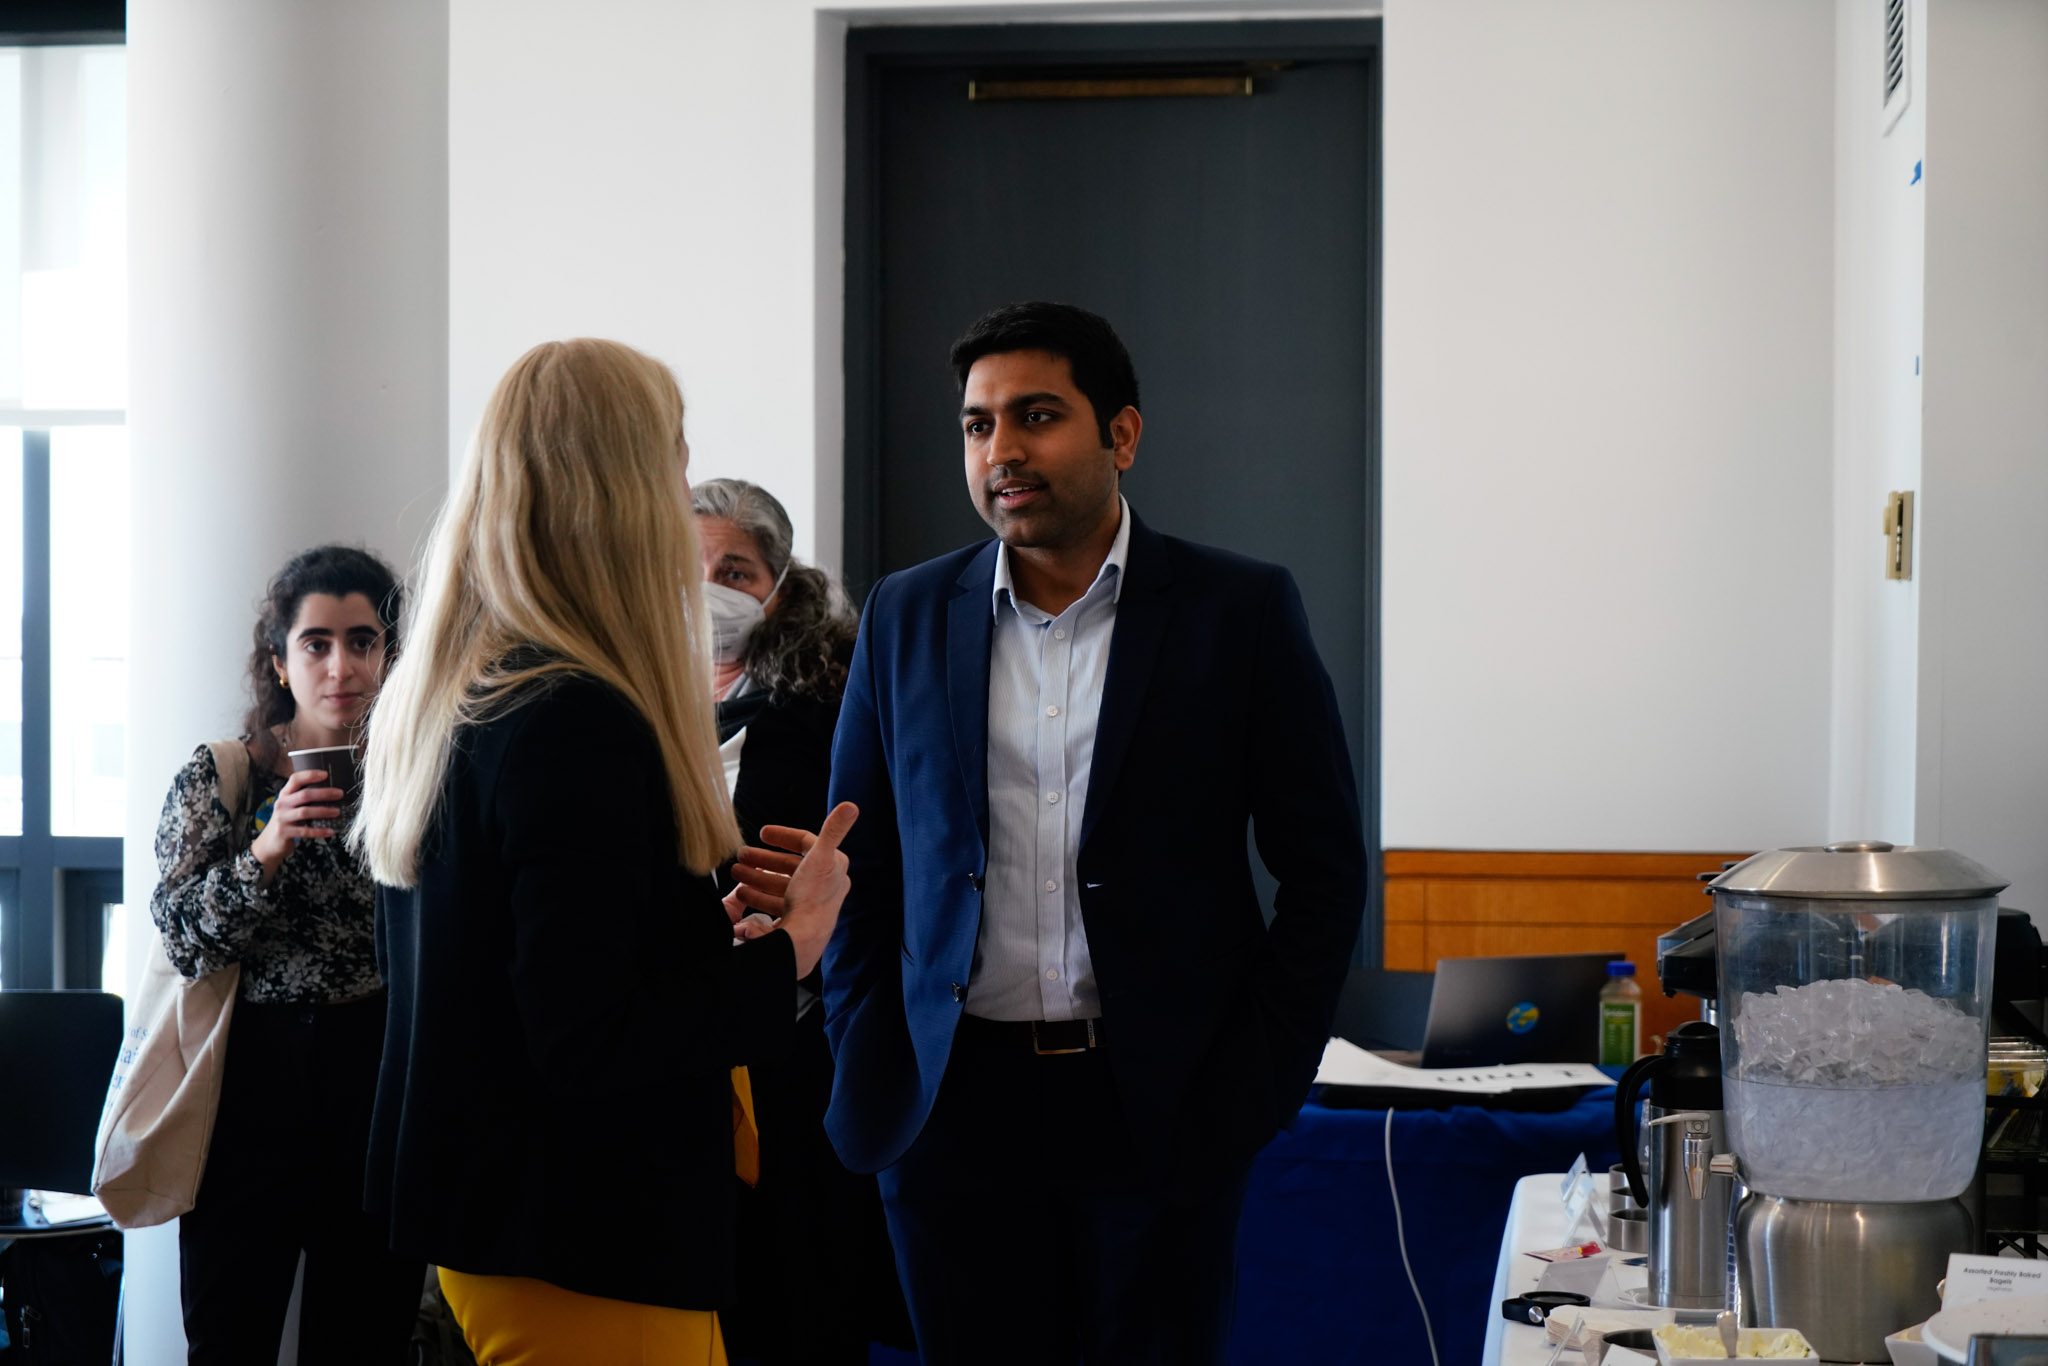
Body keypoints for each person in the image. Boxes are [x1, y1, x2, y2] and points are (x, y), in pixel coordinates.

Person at [822, 301, 1367, 1363]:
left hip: (1157, 1107)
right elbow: (860, 859)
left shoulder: (1235, 610)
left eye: (1036, 415)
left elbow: (1323, 871)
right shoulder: (905, 613)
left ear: (1121, 433)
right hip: (952, 1112)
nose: (1002, 450)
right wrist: (866, 1039)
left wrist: (1248, 1087)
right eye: (978, 425)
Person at [353, 338, 856, 1366]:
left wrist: (686, 933)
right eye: (674, 461)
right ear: (623, 489)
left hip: (499, 1230)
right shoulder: (578, 716)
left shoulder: (464, 692)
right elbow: (591, 1042)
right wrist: (793, 943)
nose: (683, 496)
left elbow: (527, 973)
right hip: (585, 1235)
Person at [149, 544, 423, 1365]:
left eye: (364, 640)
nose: (342, 666)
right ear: (279, 658)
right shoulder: (226, 775)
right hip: (251, 1083)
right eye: (316, 643)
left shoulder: (422, 774)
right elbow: (181, 935)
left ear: (391, 652)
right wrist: (265, 848)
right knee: (230, 1332)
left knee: (367, 1334)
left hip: (379, 1078)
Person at [689, 477, 909, 1364]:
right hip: (688, 1053)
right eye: (687, 567)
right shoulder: (631, 712)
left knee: (798, 1299)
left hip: (802, 1052)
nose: (708, 589)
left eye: (734, 570)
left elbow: (881, 874)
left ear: (779, 586)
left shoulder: (831, 711)